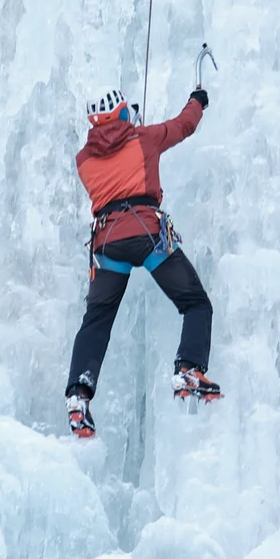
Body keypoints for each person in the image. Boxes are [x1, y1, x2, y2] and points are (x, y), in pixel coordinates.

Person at [65, 82, 218, 437]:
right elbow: (184, 125)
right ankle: (189, 369)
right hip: (146, 235)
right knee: (195, 303)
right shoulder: (144, 138)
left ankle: (79, 395)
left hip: (107, 246)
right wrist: (197, 99)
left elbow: (111, 146)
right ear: (121, 111)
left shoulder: (83, 160)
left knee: (97, 322)